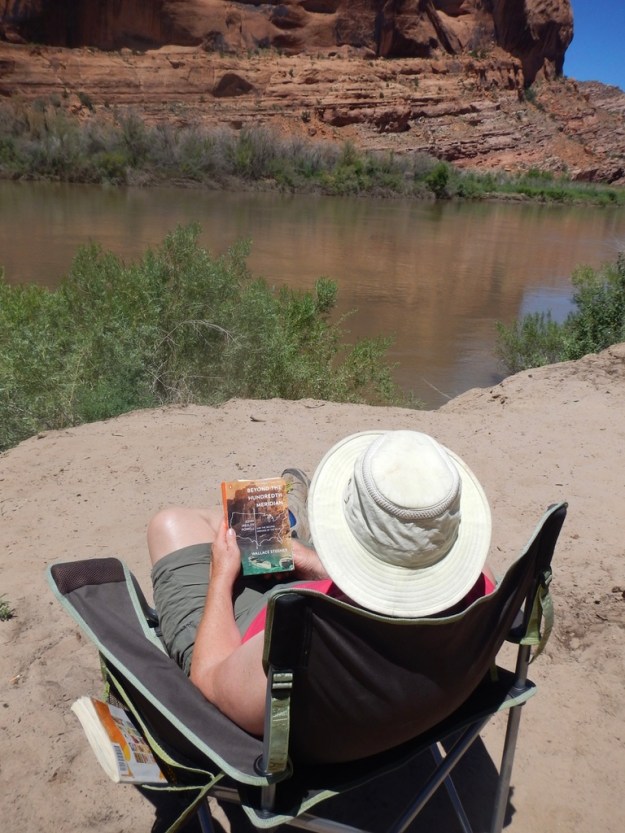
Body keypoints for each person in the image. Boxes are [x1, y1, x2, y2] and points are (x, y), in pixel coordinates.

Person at [148, 430, 495, 736]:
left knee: (174, 523)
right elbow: (409, 576)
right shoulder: (483, 593)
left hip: (256, 641)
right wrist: (312, 563)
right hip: (372, 670)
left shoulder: (298, 642)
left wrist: (221, 577)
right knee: (246, 530)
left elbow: (208, 679)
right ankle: (293, 534)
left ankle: (292, 524)